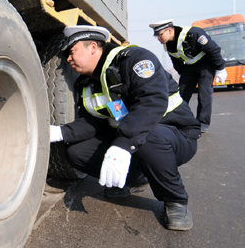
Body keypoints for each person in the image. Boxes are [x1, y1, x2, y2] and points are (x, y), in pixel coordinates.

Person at [50, 25, 201, 230]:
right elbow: (94, 122)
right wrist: (61, 132)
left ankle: (175, 200)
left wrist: (123, 144)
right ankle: (135, 177)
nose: (68, 58)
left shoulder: (134, 60)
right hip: (138, 141)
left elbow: (152, 102)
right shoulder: (87, 84)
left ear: (92, 47)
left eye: (72, 51)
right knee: (76, 152)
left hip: (175, 134)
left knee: (148, 137)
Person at [149, 19, 227, 133]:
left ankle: (202, 123)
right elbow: (177, 63)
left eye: (160, 35)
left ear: (169, 30)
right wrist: (185, 78)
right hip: (190, 67)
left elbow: (213, 50)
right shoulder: (168, 45)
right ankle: (178, 120)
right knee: (181, 94)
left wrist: (220, 68)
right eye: (156, 36)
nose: (158, 39)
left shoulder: (194, 34)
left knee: (204, 93)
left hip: (206, 65)